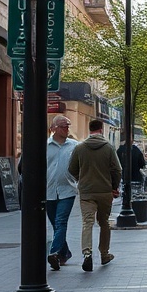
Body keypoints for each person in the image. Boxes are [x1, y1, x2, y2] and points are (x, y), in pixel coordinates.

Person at [68, 119, 122, 272]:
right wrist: (114, 186)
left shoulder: (79, 148)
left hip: (86, 192)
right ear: (101, 130)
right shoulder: (109, 148)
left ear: (89, 130)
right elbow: (117, 170)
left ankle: (87, 253)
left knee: (87, 222)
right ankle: (104, 253)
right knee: (104, 222)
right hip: (105, 191)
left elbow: (71, 169)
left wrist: (82, 179)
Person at [45, 115, 79, 270]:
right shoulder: (45, 146)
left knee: (61, 221)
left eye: (67, 126)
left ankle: (54, 253)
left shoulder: (74, 146)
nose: (66, 129)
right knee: (55, 224)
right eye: (63, 126)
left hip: (68, 190)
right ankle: (65, 253)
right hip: (49, 191)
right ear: (54, 128)